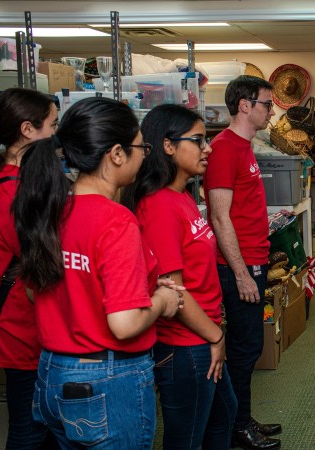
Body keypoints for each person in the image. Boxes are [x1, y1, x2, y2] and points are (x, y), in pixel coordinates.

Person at [12, 96, 183, 449]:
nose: (144, 154)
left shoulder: (53, 208)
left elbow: (34, 291)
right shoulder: (116, 220)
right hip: (106, 378)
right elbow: (123, 324)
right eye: (141, 146)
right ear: (117, 154)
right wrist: (162, 300)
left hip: (52, 373)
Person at [123, 104, 237, 450]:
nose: (209, 148)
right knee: (187, 436)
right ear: (168, 146)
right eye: (199, 140)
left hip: (202, 336)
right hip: (186, 344)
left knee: (222, 416)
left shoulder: (182, 195)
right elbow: (174, 293)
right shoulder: (157, 205)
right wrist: (216, 336)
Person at [204, 75, 282, 450]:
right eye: (267, 104)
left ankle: (242, 418)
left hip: (254, 256)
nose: (272, 111)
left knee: (247, 347)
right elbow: (220, 217)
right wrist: (240, 274)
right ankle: (235, 428)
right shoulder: (224, 148)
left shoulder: (244, 146)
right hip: (240, 265)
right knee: (243, 348)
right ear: (245, 105)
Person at [0, 88, 58, 449]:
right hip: (21, 328)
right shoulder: (10, 193)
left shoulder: (21, 185)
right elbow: (38, 261)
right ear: (28, 130)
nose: (56, 135)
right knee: (29, 426)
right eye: (52, 125)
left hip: (30, 325)